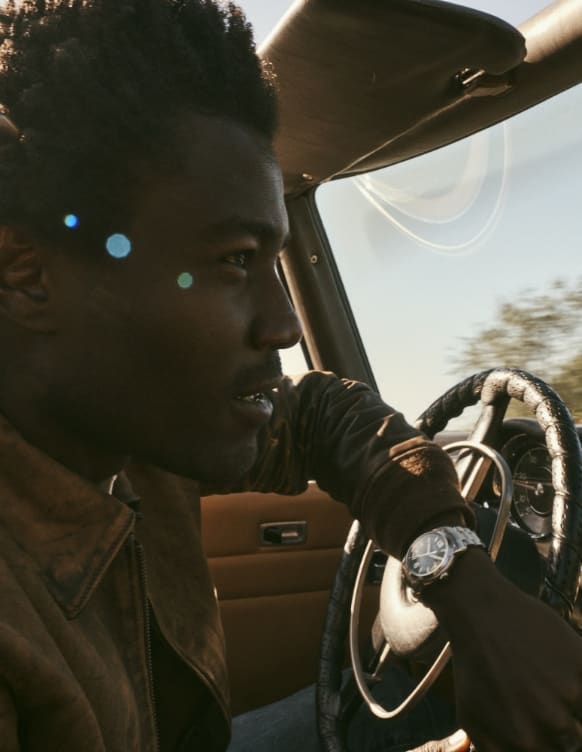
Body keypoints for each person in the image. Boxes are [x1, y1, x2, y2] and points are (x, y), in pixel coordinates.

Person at [0, 1, 579, 751]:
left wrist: (467, 588)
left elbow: (316, 418)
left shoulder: (141, 432)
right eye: (234, 259)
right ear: (26, 273)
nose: (285, 327)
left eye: (274, 262)